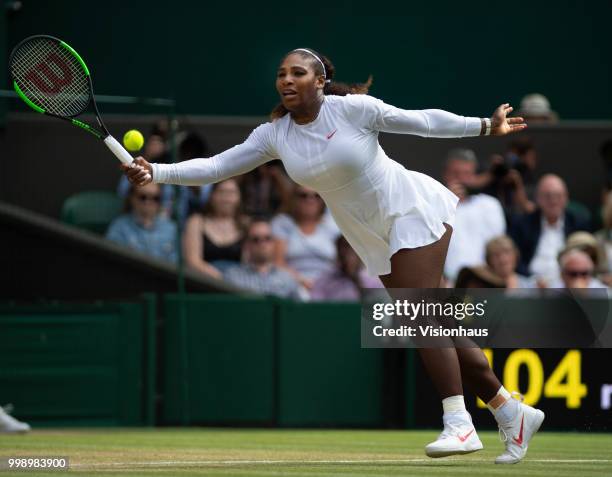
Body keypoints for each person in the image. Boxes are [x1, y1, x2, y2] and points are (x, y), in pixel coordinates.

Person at [123, 47, 541, 464]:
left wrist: (486, 126)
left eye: (298, 73)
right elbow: (218, 167)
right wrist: (157, 172)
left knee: (420, 316)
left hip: (410, 209)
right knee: (432, 324)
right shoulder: (275, 134)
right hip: (369, 233)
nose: (287, 80)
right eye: (281, 73)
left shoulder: (353, 110)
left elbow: (423, 121)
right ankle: (511, 412)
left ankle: (459, 423)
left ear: (320, 81)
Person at [510, 174, 590, 285]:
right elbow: (515, 259)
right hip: (531, 283)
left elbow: (587, 257)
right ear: (538, 198)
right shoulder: (523, 224)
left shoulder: (578, 222)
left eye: (558, 195)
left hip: (569, 283)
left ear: (566, 198)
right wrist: (533, 280)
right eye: (547, 196)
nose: (553, 200)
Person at [442, 149, 506, 282]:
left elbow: (499, 246)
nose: (461, 179)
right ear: (446, 175)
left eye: (467, 173)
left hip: (485, 281)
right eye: (455, 173)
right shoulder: (436, 206)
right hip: (446, 282)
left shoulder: (490, 205)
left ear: (474, 176)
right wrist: (447, 201)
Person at [271, 185, 340, 289]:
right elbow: (278, 262)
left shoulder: (333, 225)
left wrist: (324, 284)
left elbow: (340, 263)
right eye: (303, 196)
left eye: (316, 196)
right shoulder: (282, 223)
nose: (310, 200)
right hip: (290, 285)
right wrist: (302, 281)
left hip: (329, 287)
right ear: (293, 199)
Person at [224, 218, 305, 299]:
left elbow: (298, 309)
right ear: (246, 245)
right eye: (256, 240)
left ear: (274, 243)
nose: (262, 244)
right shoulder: (232, 277)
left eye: (267, 238)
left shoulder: (287, 278)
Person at [183, 179, 247, 279]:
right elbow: (192, 261)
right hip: (204, 282)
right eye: (221, 192)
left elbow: (249, 262)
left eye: (231, 193)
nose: (226, 198)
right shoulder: (196, 222)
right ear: (212, 196)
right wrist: (221, 278)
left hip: (238, 284)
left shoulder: (245, 225)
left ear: (239, 197)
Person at [106, 183, 178, 263]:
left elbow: (175, 266)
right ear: (132, 197)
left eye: (155, 198)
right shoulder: (119, 227)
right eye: (143, 197)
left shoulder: (172, 230)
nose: (148, 202)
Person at [311, 235, 383, 301]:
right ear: (338, 251)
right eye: (345, 248)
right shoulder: (324, 281)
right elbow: (316, 307)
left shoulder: (372, 281)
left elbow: (380, 308)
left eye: (352, 248)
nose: (348, 254)